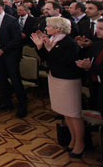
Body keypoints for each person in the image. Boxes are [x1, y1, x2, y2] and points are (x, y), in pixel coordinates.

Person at [31, 17, 84, 158]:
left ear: (58, 28)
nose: (46, 28)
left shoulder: (69, 43)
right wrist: (40, 47)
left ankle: (80, 143)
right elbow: (46, 59)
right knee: (65, 112)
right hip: (55, 77)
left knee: (73, 113)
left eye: (48, 26)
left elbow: (64, 62)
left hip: (67, 80)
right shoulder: (54, 40)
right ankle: (72, 139)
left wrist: (47, 48)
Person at [0, 0, 27, 118]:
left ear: (0, 7)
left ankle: (22, 105)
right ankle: (6, 102)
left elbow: (16, 39)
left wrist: (3, 50)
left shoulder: (11, 20)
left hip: (9, 54)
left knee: (15, 80)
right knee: (2, 79)